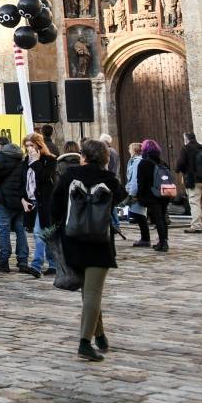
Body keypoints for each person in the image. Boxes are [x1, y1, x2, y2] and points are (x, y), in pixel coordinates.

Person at [50, 138, 121, 362]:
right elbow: (119, 199)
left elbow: (55, 207)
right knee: (92, 293)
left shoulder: (69, 176)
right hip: (99, 242)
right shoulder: (109, 179)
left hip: (73, 241)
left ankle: (99, 335)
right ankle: (84, 343)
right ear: (105, 158)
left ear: (83, 156)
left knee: (88, 292)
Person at [0, 133, 33, 276]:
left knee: (4, 230)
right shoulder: (21, 158)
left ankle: (4, 261)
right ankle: (23, 261)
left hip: (4, 200)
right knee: (20, 230)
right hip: (19, 199)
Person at [24, 132, 58, 276]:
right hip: (31, 201)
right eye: (26, 146)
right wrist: (22, 198)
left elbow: (45, 177)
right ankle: (54, 264)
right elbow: (22, 181)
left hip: (46, 202)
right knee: (46, 233)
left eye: (31, 145)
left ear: (39, 145)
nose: (29, 149)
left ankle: (36, 265)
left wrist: (36, 162)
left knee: (39, 233)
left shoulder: (49, 160)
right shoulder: (25, 160)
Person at [134, 139, 173, 252]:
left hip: (152, 194)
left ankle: (163, 243)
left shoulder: (144, 163)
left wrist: (139, 196)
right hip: (164, 193)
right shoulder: (162, 162)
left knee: (158, 218)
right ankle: (164, 240)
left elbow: (141, 181)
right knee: (163, 217)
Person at [176, 132, 202, 234]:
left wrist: (177, 169)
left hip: (193, 180)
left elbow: (180, 163)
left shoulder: (186, 148)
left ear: (186, 139)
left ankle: (196, 226)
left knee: (194, 202)